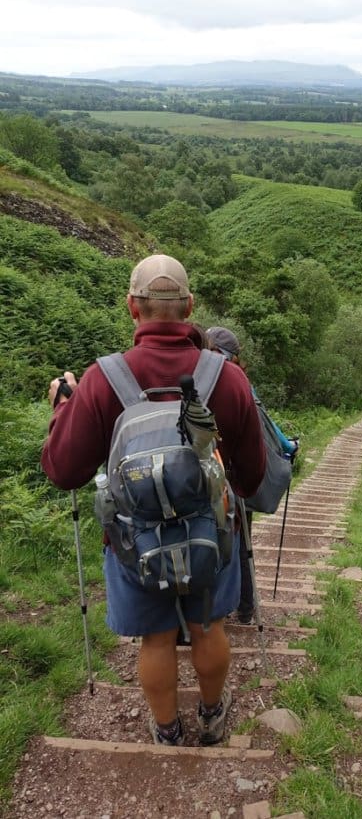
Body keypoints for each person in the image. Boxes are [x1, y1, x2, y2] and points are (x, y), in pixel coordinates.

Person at [41, 255, 266, 747]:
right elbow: (251, 477)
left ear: (132, 307)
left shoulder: (103, 379)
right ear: (189, 306)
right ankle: (211, 715)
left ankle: (166, 728)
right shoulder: (226, 378)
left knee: (156, 638)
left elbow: (63, 470)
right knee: (208, 626)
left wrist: (63, 409)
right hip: (210, 528)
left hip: (132, 535)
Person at [206, 326, 298, 625]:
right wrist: (288, 447)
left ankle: (212, 609)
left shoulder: (197, 379)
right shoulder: (241, 383)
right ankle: (245, 607)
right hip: (237, 478)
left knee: (209, 543)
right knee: (241, 542)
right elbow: (266, 423)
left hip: (202, 481)